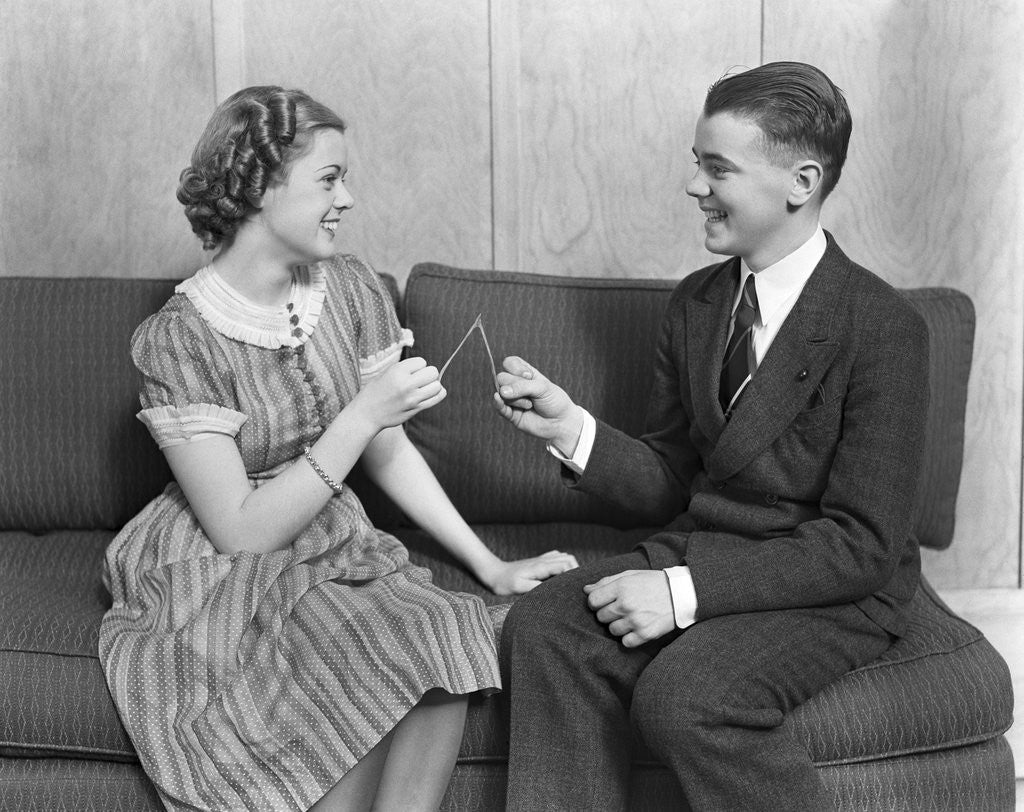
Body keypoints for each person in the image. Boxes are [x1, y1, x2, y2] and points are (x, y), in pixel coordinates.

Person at [99, 85, 577, 812]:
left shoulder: (348, 290)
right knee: (347, 665)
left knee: (441, 628)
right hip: (221, 559)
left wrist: (490, 565)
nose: (347, 197)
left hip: (330, 535)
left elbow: (388, 452)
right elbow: (241, 530)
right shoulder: (179, 337)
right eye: (329, 178)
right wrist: (360, 416)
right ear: (259, 186)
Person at [493, 62, 929, 810]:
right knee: (543, 625)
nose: (695, 187)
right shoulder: (696, 304)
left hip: (834, 588)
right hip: (708, 547)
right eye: (698, 165)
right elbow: (672, 478)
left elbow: (860, 545)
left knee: (683, 695)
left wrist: (681, 592)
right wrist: (573, 430)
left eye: (717, 168)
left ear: (801, 181)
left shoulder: (885, 329)